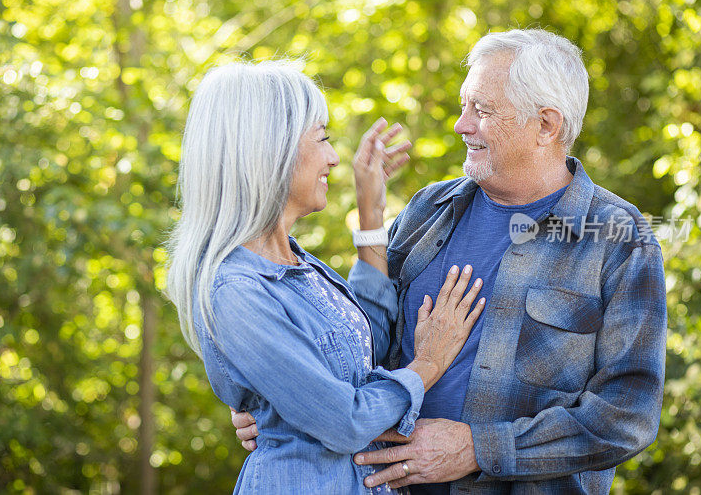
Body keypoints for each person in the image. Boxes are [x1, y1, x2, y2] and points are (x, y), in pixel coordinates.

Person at [233, 30, 668, 493]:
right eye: (465, 106)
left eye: (481, 110)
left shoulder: (620, 237)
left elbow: (627, 416)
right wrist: (283, 394)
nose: (461, 125)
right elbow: (363, 342)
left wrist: (477, 448)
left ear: (546, 125)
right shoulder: (428, 210)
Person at [165, 61, 487, 494]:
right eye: (322, 139)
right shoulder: (236, 290)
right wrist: (428, 363)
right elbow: (346, 421)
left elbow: (362, 337)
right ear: (268, 150)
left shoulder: (294, 265)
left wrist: (370, 207)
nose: (334, 158)